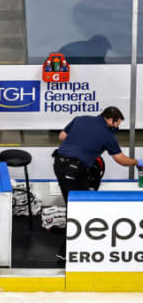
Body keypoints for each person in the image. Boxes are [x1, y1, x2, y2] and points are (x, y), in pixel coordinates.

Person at [52, 106, 143, 260]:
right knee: (79, 209)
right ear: (109, 119)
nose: (117, 127)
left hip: (59, 164)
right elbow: (121, 160)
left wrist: (81, 143)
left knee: (72, 204)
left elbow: (62, 136)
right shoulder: (108, 136)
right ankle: (67, 251)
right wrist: (137, 162)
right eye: (116, 124)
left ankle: (75, 244)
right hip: (74, 170)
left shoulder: (81, 119)